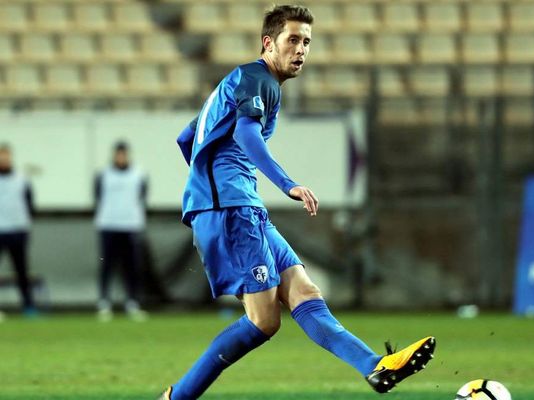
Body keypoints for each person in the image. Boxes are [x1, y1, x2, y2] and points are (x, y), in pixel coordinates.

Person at [158, 5, 435, 399]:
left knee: (305, 292)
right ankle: (177, 397)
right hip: (232, 211)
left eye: (306, 42)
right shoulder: (260, 79)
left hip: (237, 205)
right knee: (263, 321)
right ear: (268, 43)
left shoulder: (241, 81)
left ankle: (375, 365)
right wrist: (284, 184)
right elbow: (247, 136)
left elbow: (188, 138)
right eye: (292, 40)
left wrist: (208, 184)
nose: (301, 49)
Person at [94, 141, 148, 322]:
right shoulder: (103, 174)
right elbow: (98, 196)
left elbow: (142, 195)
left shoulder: (138, 174)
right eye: (118, 154)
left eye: (123, 154)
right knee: (107, 265)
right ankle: (104, 303)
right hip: (108, 225)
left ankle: (132, 302)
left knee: (131, 267)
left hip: (131, 225)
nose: (121, 158)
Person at [0, 143, 37, 316]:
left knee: (22, 271)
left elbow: (29, 204)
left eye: (6, 156)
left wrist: (24, 225)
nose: (4, 159)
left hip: (18, 231)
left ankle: (28, 306)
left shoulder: (21, 179)